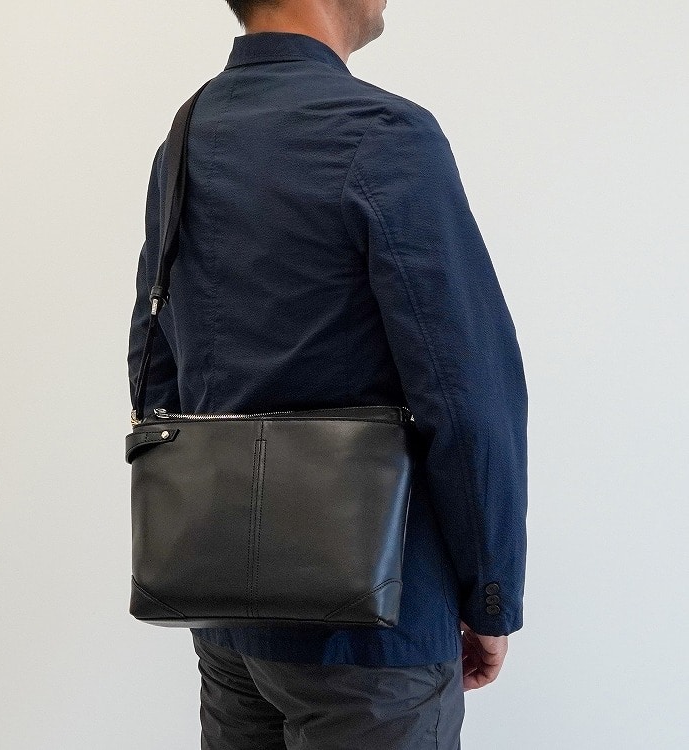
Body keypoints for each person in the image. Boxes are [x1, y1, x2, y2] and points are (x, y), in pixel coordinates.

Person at [127, 1, 528, 747]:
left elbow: (153, 359)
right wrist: (490, 591)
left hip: (230, 621)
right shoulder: (383, 133)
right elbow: (466, 390)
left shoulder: (187, 136)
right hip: (379, 629)